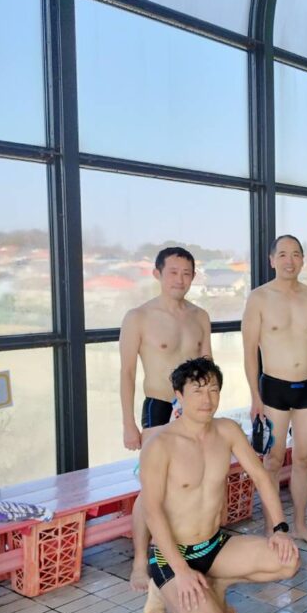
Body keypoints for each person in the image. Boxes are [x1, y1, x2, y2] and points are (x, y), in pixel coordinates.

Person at [140, 357, 299, 613]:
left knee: (288, 561)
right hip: (170, 556)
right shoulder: (160, 445)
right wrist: (182, 572)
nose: (207, 399)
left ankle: (217, 583)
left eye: (213, 390)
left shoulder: (227, 430)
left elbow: (262, 477)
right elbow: (152, 512)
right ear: (179, 395)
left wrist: (280, 529)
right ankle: (165, 592)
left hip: (213, 546)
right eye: (197, 391)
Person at [120, 246, 212, 591]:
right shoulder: (139, 317)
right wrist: (128, 423)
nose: (180, 279)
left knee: (192, 481)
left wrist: (210, 410)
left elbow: (208, 370)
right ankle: (140, 561)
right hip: (159, 408)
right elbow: (127, 372)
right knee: (151, 490)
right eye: (173, 272)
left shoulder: (200, 316)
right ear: (157, 274)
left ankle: (187, 554)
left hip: (194, 411)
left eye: (187, 273)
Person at [242, 234, 307, 547]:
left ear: (302, 260)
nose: (289, 260)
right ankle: (273, 528)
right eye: (282, 254)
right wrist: (254, 397)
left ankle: (299, 525)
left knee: (304, 458)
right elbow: (249, 351)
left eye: (295, 254)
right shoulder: (259, 298)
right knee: (272, 460)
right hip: (273, 389)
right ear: (272, 260)